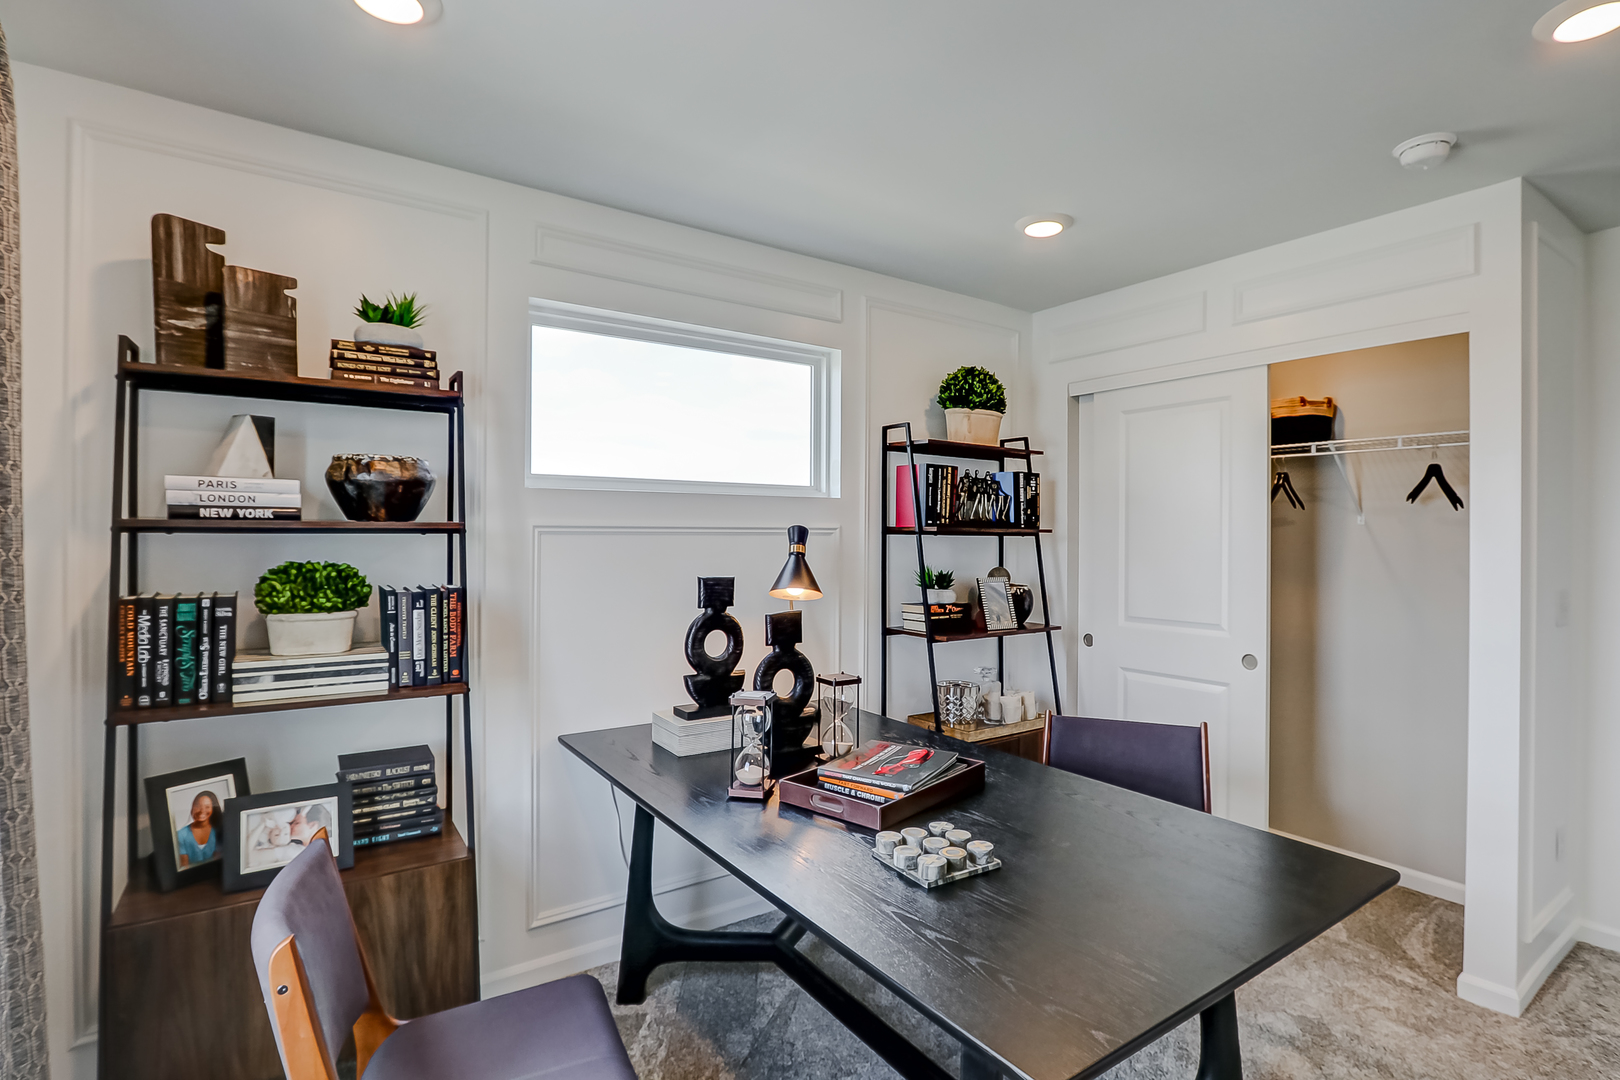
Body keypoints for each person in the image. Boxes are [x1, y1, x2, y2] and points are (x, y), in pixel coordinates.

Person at [175, 789, 222, 869]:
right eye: (198, 806)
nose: (202, 810)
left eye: (207, 807)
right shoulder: (181, 835)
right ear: (193, 807)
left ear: (213, 809)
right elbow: (184, 867)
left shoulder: (219, 832)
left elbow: (219, 864)